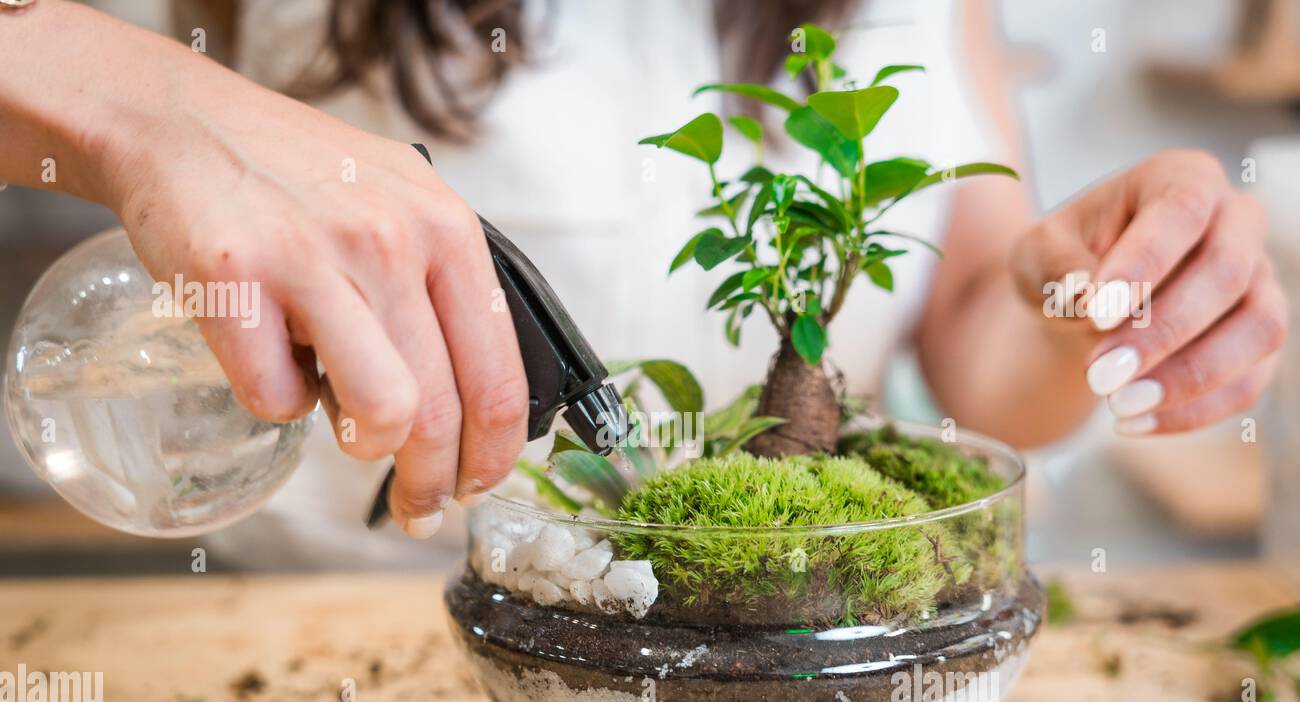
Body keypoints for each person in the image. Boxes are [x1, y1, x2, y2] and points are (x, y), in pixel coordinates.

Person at [0, 0, 1286, 568]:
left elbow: (982, 356)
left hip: (735, 654)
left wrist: (1096, 299)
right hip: (316, 633)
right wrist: (153, 101)